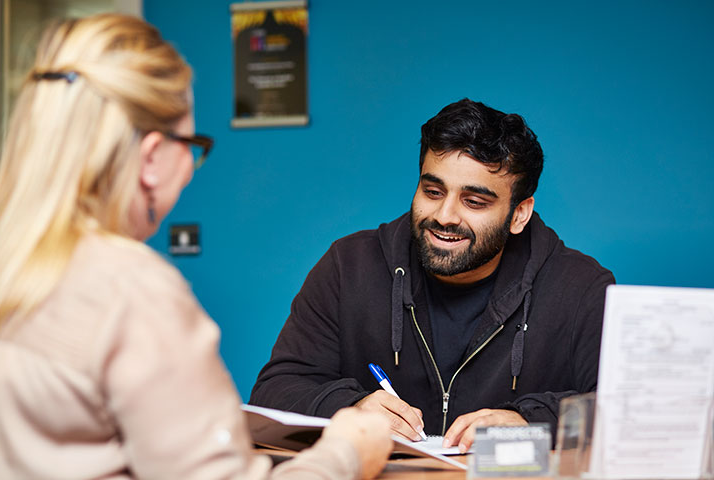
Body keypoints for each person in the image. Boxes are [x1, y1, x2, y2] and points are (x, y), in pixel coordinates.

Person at [0, 14, 392, 480]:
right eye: (192, 143)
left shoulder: (12, 266)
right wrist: (348, 451)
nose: (190, 167)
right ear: (150, 159)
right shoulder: (130, 291)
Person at [250, 99, 615, 453]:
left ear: (519, 214)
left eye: (474, 202)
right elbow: (275, 389)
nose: (445, 215)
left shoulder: (582, 288)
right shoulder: (348, 266)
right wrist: (351, 408)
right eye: (433, 191)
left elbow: (622, 410)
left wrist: (529, 421)